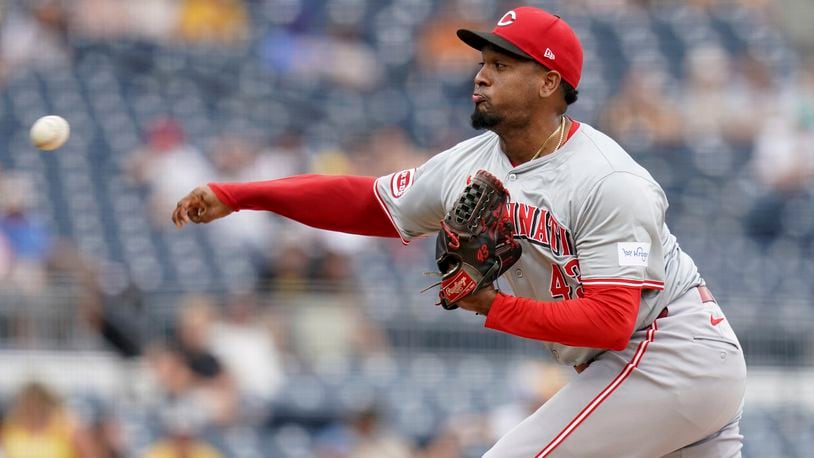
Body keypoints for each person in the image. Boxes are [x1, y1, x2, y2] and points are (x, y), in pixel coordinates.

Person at [172, 6, 747, 457]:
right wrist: (243, 195)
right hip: (648, 367)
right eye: (483, 62)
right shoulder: (471, 162)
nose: (481, 75)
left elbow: (612, 321)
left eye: (501, 64)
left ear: (549, 82)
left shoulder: (609, 180)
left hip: (669, 350)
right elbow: (367, 203)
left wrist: (491, 304)